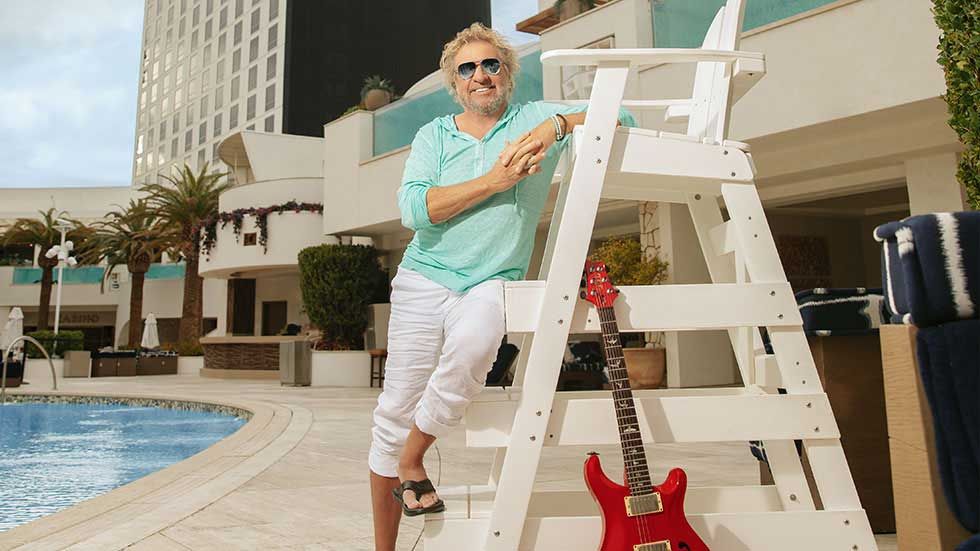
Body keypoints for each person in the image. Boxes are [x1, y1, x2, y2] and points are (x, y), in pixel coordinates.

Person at [369, 22, 634, 550]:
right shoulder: (434, 136)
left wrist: (556, 125)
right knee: (394, 409)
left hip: (492, 281)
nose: (480, 75)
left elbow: (621, 118)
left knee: (475, 347)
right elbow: (416, 210)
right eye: (467, 69)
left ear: (506, 74)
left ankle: (413, 456)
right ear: (455, 82)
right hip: (424, 279)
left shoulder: (533, 118)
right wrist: (495, 180)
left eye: (491, 64)